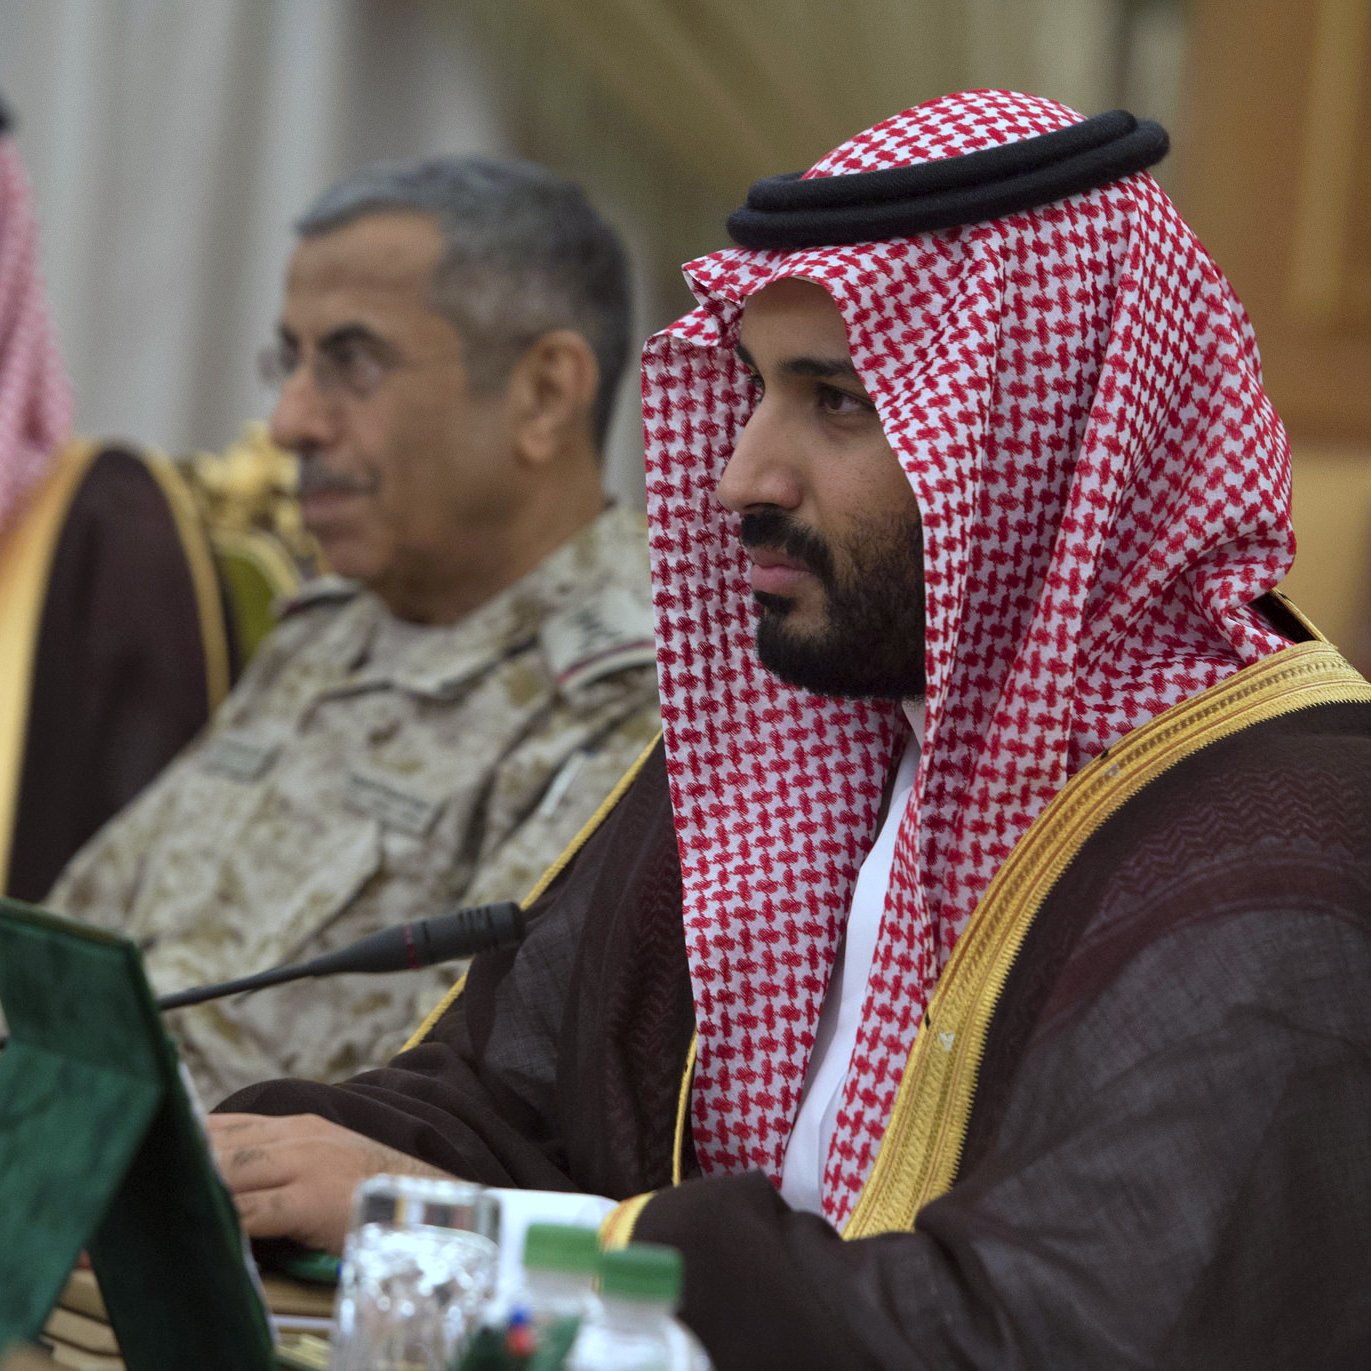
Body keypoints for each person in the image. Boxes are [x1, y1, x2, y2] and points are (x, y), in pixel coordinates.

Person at [210, 92, 1371, 1369]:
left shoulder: (1286, 851)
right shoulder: (816, 728)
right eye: (759, 388)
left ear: (1036, 441)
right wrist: (259, 1161)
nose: (742, 475)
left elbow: (1026, 1336)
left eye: (838, 403)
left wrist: (481, 1243)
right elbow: (504, 1103)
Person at [46, 156, 662, 1102]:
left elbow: (436, 1101)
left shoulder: (645, 693)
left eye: (351, 363)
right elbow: (66, 961)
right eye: (289, 360)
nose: (289, 420)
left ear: (543, 395)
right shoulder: (326, 633)